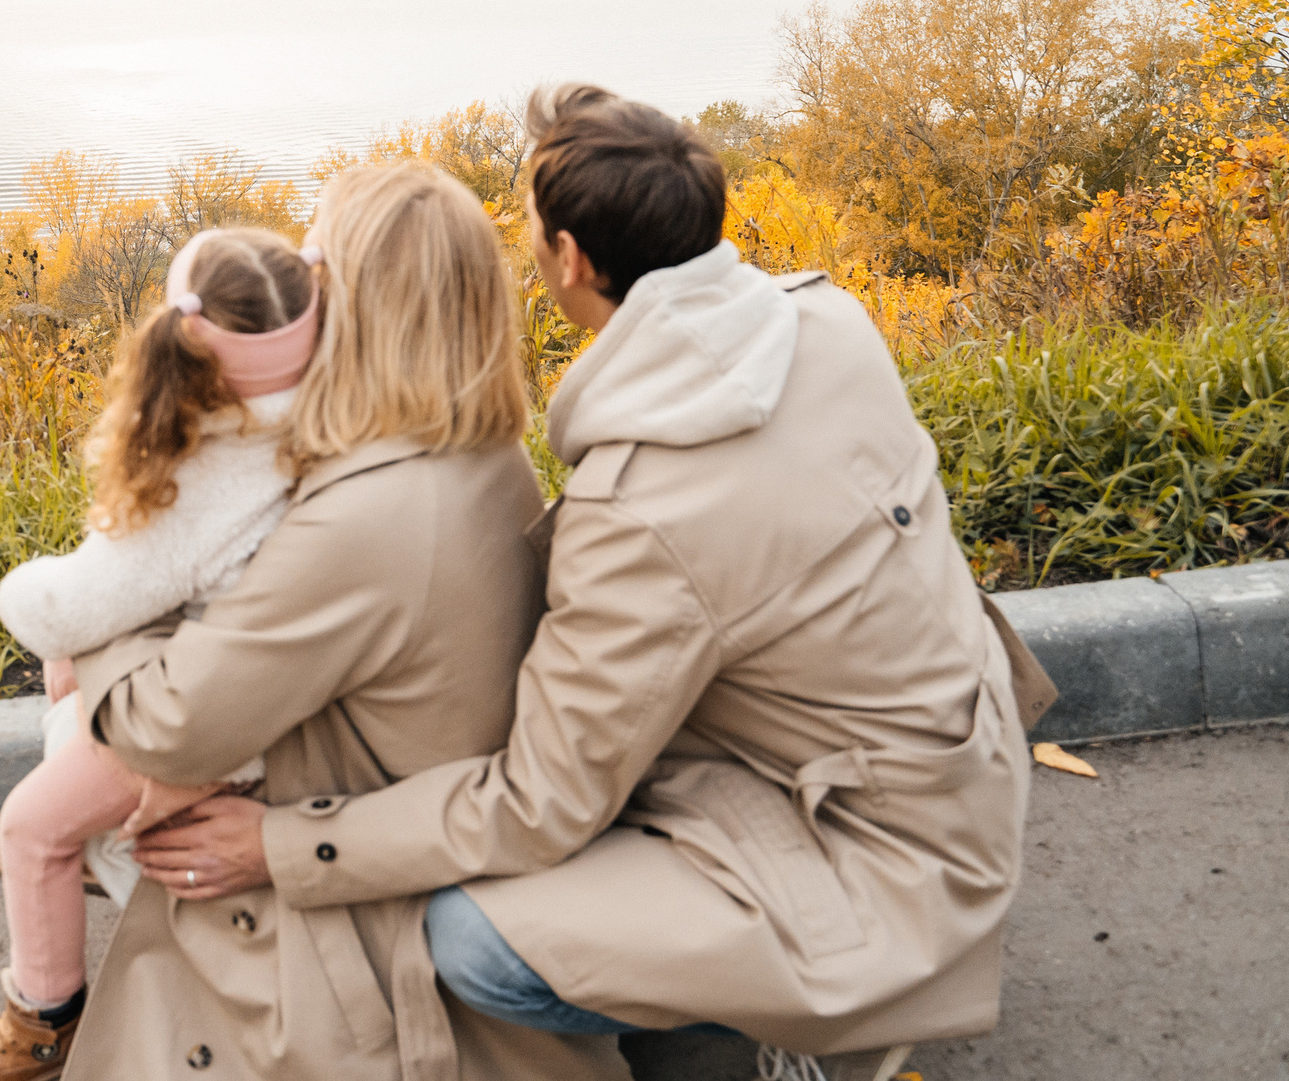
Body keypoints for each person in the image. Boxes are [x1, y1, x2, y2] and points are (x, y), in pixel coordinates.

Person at [119, 87, 1058, 1081]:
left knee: (470, 938)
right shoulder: (824, 320)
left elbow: (535, 806)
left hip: (875, 854)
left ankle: (756, 1037)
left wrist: (284, 845)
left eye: (526, 222)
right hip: (958, 763)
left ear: (568, 257)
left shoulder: (641, 505)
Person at [60, 165, 629, 1081]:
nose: (298, 288)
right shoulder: (480, 448)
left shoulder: (372, 516)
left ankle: (41, 1013)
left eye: (313, 264)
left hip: (369, 951)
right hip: (418, 856)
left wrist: (90, 613)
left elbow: (166, 724)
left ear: (363, 300)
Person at [0, 226, 321, 1081]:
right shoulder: (324, 421)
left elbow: (65, 609)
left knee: (30, 826)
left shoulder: (211, 472)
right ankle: (105, 859)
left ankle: (41, 1021)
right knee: (75, 690)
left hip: (212, 724)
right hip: (274, 697)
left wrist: (19, 589)